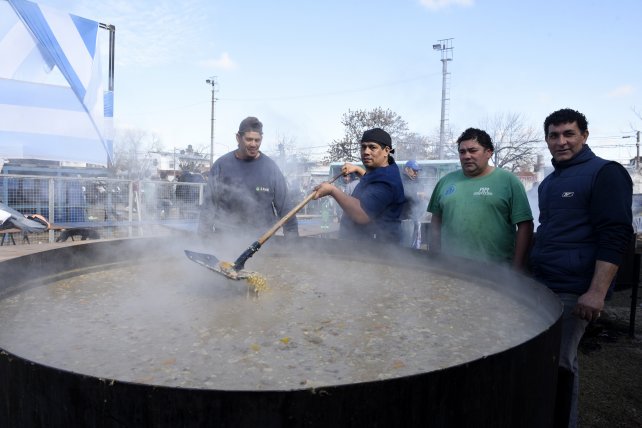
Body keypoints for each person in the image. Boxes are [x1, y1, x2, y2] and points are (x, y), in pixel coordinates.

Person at [529, 108, 633, 428]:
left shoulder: (606, 172)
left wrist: (597, 291)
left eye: (569, 134)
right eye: (554, 135)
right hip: (543, 283)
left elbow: (615, 236)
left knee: (560, 363)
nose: (561, 142)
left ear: (584, 136)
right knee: (539, 360)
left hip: (575, 290)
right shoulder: (549, 182)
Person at [427, 127, 533, 270]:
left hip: (497, 270)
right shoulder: (445, 182)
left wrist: (517, 269)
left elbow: (525, 225)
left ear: (489, 152)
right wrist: (433, 258)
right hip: (450, 266)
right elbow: (436, 222)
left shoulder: (508, 181)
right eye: (462, 151)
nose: (467, 156)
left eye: (473, 150)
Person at [198, 116, 298, 238]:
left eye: (257, 140)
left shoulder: (271, 168)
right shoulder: (221, 165)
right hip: (225, 240)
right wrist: (203, 239)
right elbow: (209, 206)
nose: (253, 144)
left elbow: (285, 208)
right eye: (249, 139)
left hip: (262, 240)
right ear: (238, 138)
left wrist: (293, 242)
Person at [313, 128, 405, 243]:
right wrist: (358, 169)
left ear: (386, 151)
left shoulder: (387, 181)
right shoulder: (383, 171)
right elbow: (372, 184)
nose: (366, 151)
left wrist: (332, 190)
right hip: (364, 246)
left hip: (377, 251)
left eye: (372, 147)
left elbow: (362, 214)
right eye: (363, 147)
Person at [400, 160, 426, 249]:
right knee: (406, 244)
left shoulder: (417, 181)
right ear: (407, 169)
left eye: (417, 171)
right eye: (414, 170)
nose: (416, 173)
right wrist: (417, 194)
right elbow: (404, 193)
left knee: (415, 244)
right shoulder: (401, 180)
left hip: (415, 217)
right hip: (404, 219)